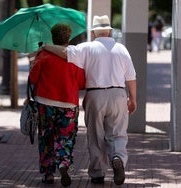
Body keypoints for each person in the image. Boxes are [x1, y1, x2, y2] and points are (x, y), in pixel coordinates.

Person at [42, 15, 137, 185]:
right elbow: (131, 77)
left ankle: (97, 173)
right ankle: (117, 158)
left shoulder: (86, 48)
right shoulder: (121, 49)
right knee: (117, 134)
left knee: (95, 136)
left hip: (95, 96)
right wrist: (133, 99)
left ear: (93, 33)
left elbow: (64, 52)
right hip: (118, 94)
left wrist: (45, 46)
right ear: (109, 31)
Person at [29, 23, 85, 186]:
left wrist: (33, 60)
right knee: (66, 137)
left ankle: (48, 174)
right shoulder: (75, 57)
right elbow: (81, 82)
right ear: (68, 39)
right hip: (68, 104)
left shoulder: (43, 55)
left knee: (46, 138)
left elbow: (33, 79)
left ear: (52, 38)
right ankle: (63, 163)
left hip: (45, 104)